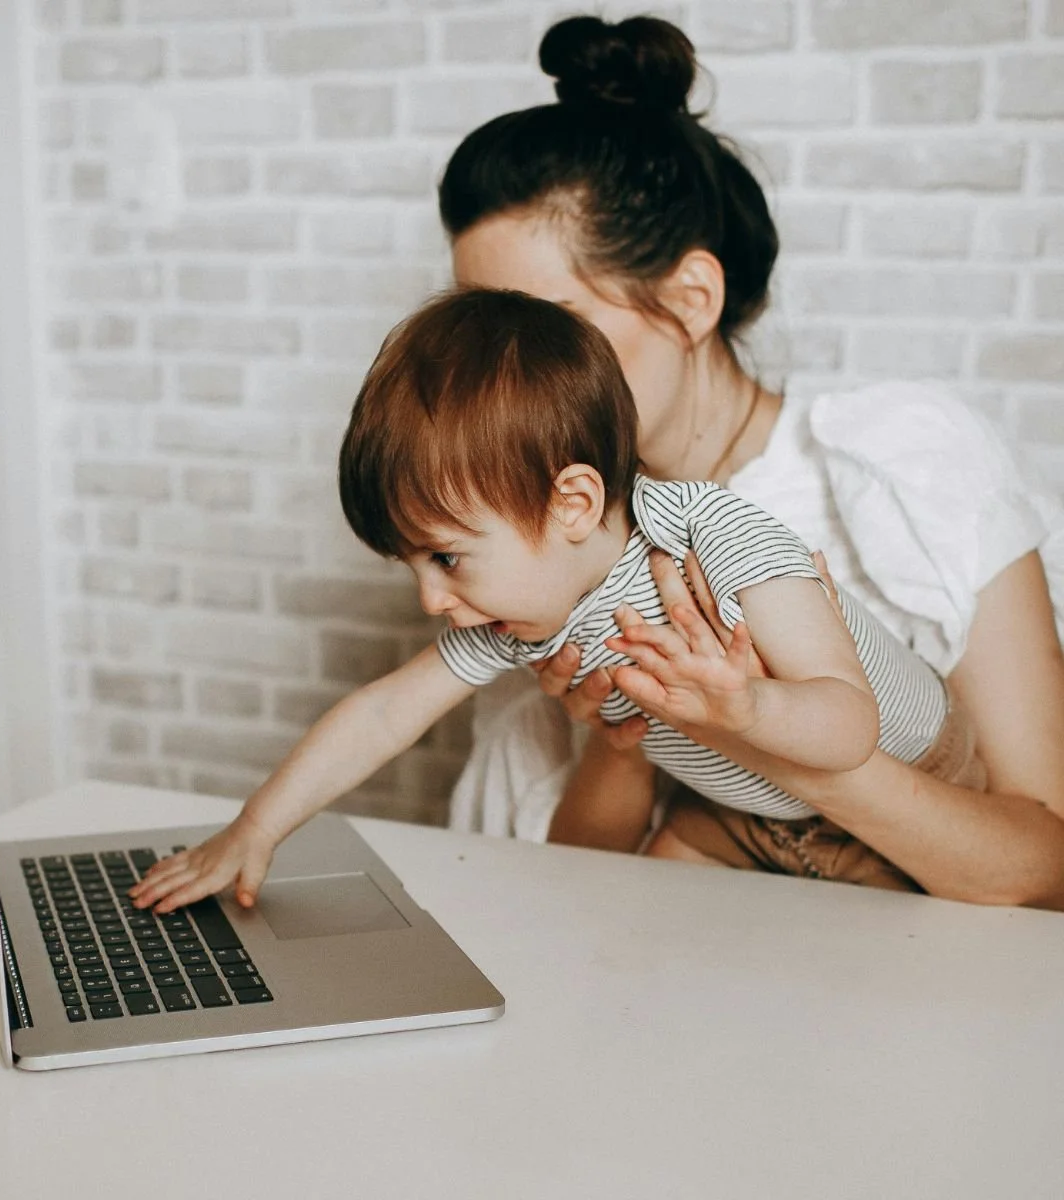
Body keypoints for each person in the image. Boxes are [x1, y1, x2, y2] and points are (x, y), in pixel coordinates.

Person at [438, 14, 1064, 907]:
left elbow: (1045, 872)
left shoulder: (904, 463)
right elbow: (574, 892)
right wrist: (624, 741)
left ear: (691, 299)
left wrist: (770, 734)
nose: (501, 376)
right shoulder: (544, 532)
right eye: (477, 330)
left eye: (543, 326)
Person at [131, 287, 984, 913]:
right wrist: (256, 828)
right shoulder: (525, 608)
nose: (434, 598)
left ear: (571, 504)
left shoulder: (714, 534)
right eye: (413, 566)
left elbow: (849, 726)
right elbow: (384, 713)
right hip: (737, 815)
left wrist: (745, 703)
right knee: (626, 942)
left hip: (898, 796)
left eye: (448, 557)